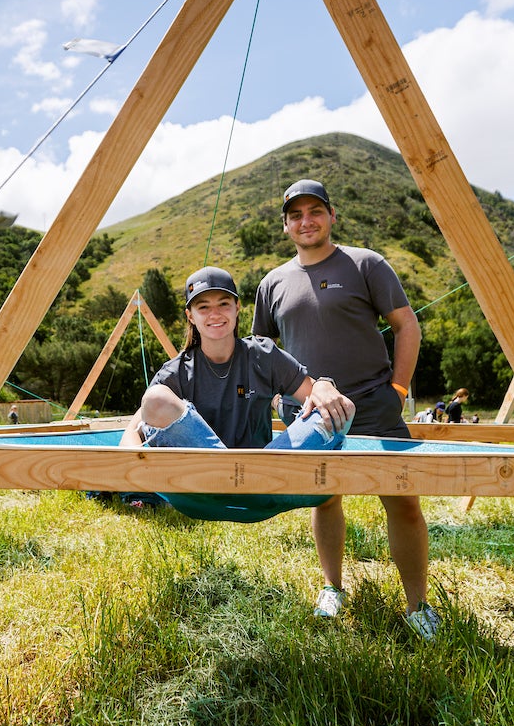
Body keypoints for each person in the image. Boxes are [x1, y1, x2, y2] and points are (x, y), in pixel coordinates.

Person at [253, 179, 439, 636]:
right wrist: (277, 399)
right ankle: (333, 588)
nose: (306, 221)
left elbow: (406, 325)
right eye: (295, 215)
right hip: (309, 414)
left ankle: (418, 606)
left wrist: (397, 387)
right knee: (326, 498)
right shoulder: (272, 283)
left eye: (315, 211)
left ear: (332, 216)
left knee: (404, 501)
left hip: (373, 403)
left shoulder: (365, 263)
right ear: (285, 225)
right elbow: (260, 351)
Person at [120, 266, 354, 490]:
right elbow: (133, 430)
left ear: (237, 307)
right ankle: (228, 477)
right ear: (190, 316)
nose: (215, 314)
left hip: (265, 473)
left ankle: (249, 480)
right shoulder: (176, 372)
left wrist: (322, 384)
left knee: (344, 408)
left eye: (224, 304)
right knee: (155, 396)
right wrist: (138, 473)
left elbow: (312, 394)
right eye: (203, 307)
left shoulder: (263, 354)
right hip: (203, 482)